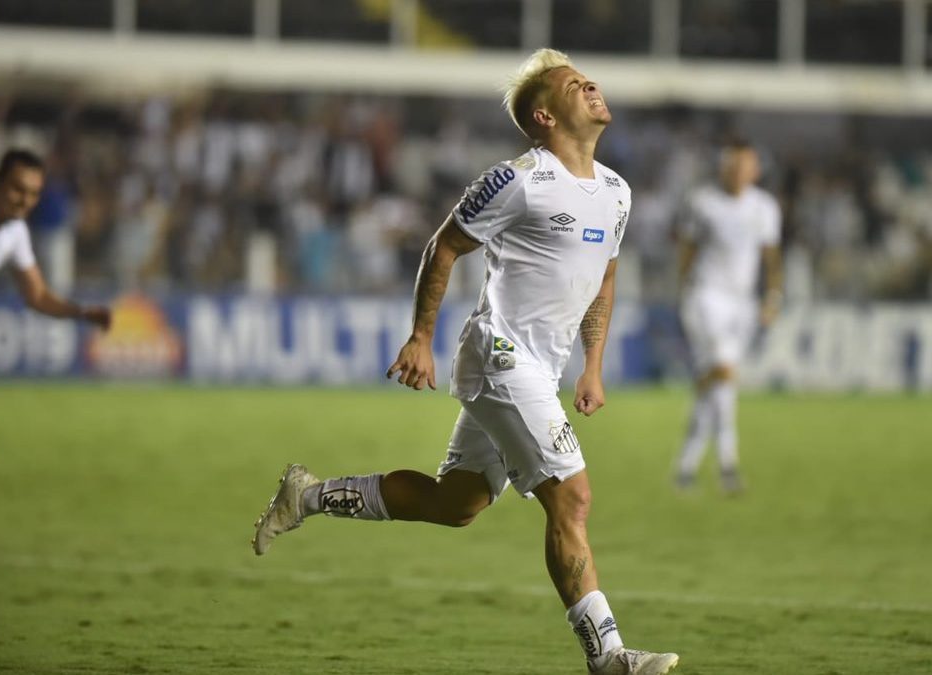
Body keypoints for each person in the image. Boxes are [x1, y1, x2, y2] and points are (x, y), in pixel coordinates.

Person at [251, 49, 679, 675]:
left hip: (540, 365)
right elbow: (443, 246)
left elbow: (604, 281)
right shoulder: (519, 180)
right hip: (500, 355)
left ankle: (309, 495)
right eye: (570, 83)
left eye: (588, 77)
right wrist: (421, 336)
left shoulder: (616, 192)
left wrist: (593, 364)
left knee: (458, 504)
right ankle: (609, 657)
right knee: (572, 498)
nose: (589, 83)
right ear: (545, 115)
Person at [0, 149, 112, 476]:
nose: (25, 200)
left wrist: (81, 312)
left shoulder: (14, 233)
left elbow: (36, 294)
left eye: (33, 193)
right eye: (18, 189)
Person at [673, 140, 782, 493]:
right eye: (732, 166)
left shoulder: (764, 207)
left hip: (743, 303)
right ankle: (728, 465)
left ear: (755, 170)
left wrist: (771, 297)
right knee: (725, 372)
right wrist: (683, 295)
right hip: (706, 296)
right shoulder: (703, 202)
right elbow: (687, 250)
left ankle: (686, 468)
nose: (738, 172)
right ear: (723, 168)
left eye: (745, 166)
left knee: (719, 383)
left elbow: (770, 257)